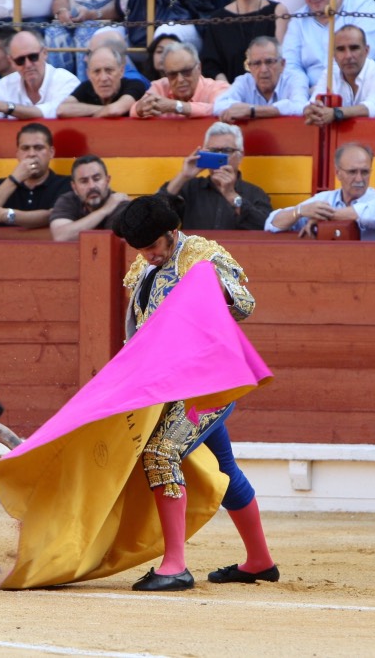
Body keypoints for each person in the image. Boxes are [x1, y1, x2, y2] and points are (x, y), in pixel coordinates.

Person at [112, 194, 278, 591]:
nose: (148, 255)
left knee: (160, 452)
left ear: (172, 233)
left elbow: (244, 305)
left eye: (153, 246)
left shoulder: (202, 255)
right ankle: (259, 561)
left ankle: (175, 565)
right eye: (141, 249)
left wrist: (212, 287)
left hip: (208, 382)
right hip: (168, 385)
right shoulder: (143, 266)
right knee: (224, 468)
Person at [265, 142, 375, 240]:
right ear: (338, 173)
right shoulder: (323, 199)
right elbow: (272, 224)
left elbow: (372, 216)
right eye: (352, 172)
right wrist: (299, 211)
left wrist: (324, 217)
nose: (359, 178)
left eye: (364, 172)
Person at [158, 122, 272, 231]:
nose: (219, 156)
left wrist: (232, 196)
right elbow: (155, 215)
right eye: (214, 151)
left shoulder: (255, 193)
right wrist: (183, 176)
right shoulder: (190, 188)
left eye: (227, 151)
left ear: (240, 156)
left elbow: (265, 226)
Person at [0, 123, 71, 228]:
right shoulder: (1, 185)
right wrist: (14, 179)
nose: (31, 154)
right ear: (17, 154)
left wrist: (7, 215)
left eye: (38, 148)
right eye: (25, 148)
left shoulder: (65, 184)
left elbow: (52, 215)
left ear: (51, 152)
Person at [0, 30, 80, 120]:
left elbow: (52, 111)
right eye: (20, 60)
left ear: (44, 53)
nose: (28, 64)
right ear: (11, 61)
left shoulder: (66, 80)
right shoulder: (6, 84)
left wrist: (7, 107)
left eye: (33, 57)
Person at [282, 0, 375, 89]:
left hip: (361, 90)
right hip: (309, 94)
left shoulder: (365, 7)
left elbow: (358, 61)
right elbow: (290, 66)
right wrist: (301, 96)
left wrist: (321, 90)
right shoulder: (298, 19)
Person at [304, 25, 375, 126]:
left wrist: (335, 113)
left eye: (354, 48)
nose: (348, 56)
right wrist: (311, 110)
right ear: (333, 54)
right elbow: (313, 103)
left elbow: (372, 108)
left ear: (366, 50)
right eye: (341, 49)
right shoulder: (329, 74)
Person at [213, 37, 308, 123]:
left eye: (269, 62)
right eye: (257, 63)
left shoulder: (295, 78)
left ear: (282, 64)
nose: (263, 70)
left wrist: (252, 111)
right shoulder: (244, 81)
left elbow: (301, 107)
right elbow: (219, 105)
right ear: (250, 67)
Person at [130, 42, 230, 119]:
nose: (180, 79)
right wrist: (140, 109)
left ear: (199, 68)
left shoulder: (217, 87)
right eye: (173, 74)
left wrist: (177, 106)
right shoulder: (160, 86)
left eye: (186, 72)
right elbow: (133, 111)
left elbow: (221, 108)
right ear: (166, 74)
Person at [201, 0, 290, 84]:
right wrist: (228, 90)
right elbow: (210, 65)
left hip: (271, 89)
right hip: (232, 92)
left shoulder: (277, 11)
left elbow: (282, 57)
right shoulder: (218, 19)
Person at [48, 154, 130, 241]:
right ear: (74, 187)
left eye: (97, 179)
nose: (91, 186)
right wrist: (105, 210)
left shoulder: (120, 204)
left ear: (107, 181)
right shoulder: (67, 201)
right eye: (84, 181)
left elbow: (116, 241)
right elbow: (61, 236)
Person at [56, 45, 146, 117]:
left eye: (109, 70)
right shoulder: (86, 87)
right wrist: (104, 110)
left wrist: (84, 111)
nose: (103, 78)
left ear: (121, 71)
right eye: (96, 71)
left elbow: (115, 110)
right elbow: (61, 110)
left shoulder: (135, 85)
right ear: (88, 74)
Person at [45, 0, 122, 77]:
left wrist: (93, 14)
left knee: (84, 34)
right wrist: (62, 11)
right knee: (53, 33)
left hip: (106, 22)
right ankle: (60, 83)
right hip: (72, 21)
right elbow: (60, 1)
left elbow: (122, 7)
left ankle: (85, 85)